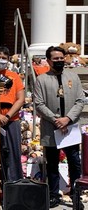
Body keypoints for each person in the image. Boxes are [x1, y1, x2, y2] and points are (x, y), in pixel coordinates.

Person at [34, 46, 84, 208]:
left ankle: (76, 195)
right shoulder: (41, 79)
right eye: (55, 59)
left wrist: (67, 119)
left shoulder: (73, 77)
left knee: (74, 162)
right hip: (51, 127)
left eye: (61, 58)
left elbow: (80, 101)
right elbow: (39, 104)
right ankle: (54, 195)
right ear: (48, 61)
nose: (59, 61)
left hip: (70, 128)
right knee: (52, 164)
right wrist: (57, 120)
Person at [0, 47, 25, 182]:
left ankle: (14, 187)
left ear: (9, 60)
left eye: (4, 58)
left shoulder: (14, 76)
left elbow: (21, 99)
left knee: (13, 155)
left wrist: (7, 116)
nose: (1, 60)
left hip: (11, 120)